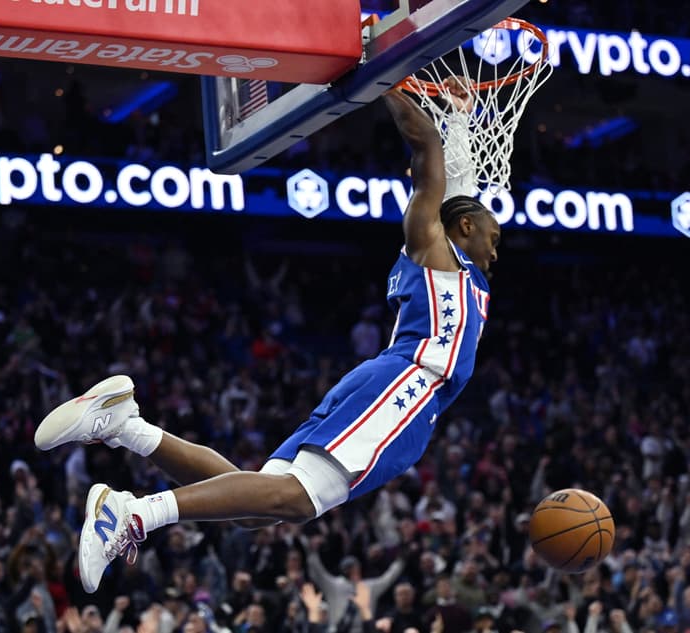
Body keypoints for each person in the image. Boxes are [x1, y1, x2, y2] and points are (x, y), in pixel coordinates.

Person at [34, 80, 501, 594]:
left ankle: (125, 425)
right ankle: (132, 514)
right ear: (464, 227)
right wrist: (380, 74)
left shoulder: (458, 260)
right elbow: (427, 150)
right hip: (408, 383)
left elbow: (457, 179)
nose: (497, 251)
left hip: (391, 385)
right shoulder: (434, 249)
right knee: (297, 498)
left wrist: (460, 118)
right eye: (494, 236)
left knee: (258, 510)